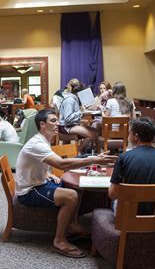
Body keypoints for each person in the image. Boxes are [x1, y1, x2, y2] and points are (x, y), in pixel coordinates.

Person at [16, 109, 117, 258]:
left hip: (40, 182)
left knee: (73, 188)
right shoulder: (37, 143)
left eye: (57, 120)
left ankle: (73, 225)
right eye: (53, 121)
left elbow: (37, 163)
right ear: (42, 125)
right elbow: (61, 164)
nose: (57, 123)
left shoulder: (43, 140)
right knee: (71, 196)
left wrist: (47, 174)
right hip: (29, 191)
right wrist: (94, 159)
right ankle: (59, 240)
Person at [108, 117, 155, 267]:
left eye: (130, 133)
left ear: (135, 136)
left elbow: (112, 194)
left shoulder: (124, 158)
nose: (129, 137)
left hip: (129, 217)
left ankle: (124, 245)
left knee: (114, 202)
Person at [59, 78, 98, 152]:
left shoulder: (71, 98)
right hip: (66, 126)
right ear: (78, 92)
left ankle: (75, 151)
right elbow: (68, 118)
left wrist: (82, 112)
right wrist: (81, 112)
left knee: (94, 131)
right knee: (94, 133)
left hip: (69, 125)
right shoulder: (70, 100)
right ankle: (77, 151)